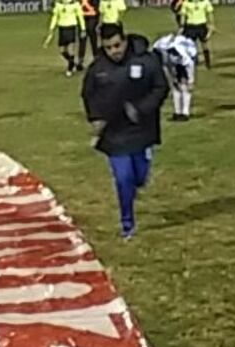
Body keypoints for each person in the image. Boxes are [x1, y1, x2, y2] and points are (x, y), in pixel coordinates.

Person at [82, 23, 168, 239]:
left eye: (117, 45)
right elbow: (88, 94)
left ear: (125, 40)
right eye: (108, 47)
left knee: (138, 177)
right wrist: (95, 118)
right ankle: (127, 224)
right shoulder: (98, 69)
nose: (114, 51)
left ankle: (141, 172)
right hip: (114, 134)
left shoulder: (146, 59)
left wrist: (140, 108)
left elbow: (161, 87)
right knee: (123, 178)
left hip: (142, 129)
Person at [153, 33, 198, 121]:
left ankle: (185, 113)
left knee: (185, 87)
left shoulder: (183, 53)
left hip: (186, 60)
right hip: (172, 60)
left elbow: (189, 65)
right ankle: (177, 112)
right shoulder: (160, 49)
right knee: (175, 87)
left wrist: (191, 81)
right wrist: (172, 78)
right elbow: (167, 65)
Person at [44, 0, 86, 77]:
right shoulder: (58, 5)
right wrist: (51, 28)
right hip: (62, 28)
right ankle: (73, 63)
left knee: (70, 50)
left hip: (71, 28)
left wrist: (83, 29)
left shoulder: (75, 4)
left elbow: (80, 17)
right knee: (62, 51)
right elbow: (55, 17)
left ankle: (69, 69)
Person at [180, 0, 215, 69]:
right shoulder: (186, 2)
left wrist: (212, 24)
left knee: (204, 45)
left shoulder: (205, 2)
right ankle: (193, 62)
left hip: (202, 25)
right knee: (191, 45)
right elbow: (183, 15)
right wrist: (182, 26)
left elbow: (210, 13)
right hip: (190, 26)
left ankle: (207, 63)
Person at [77, 0, 101, 70]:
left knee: (91, 39)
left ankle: (95, 59)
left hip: (90, 18)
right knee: (84, 39)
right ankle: (80, 61)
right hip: (85, 19)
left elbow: (95, 11)